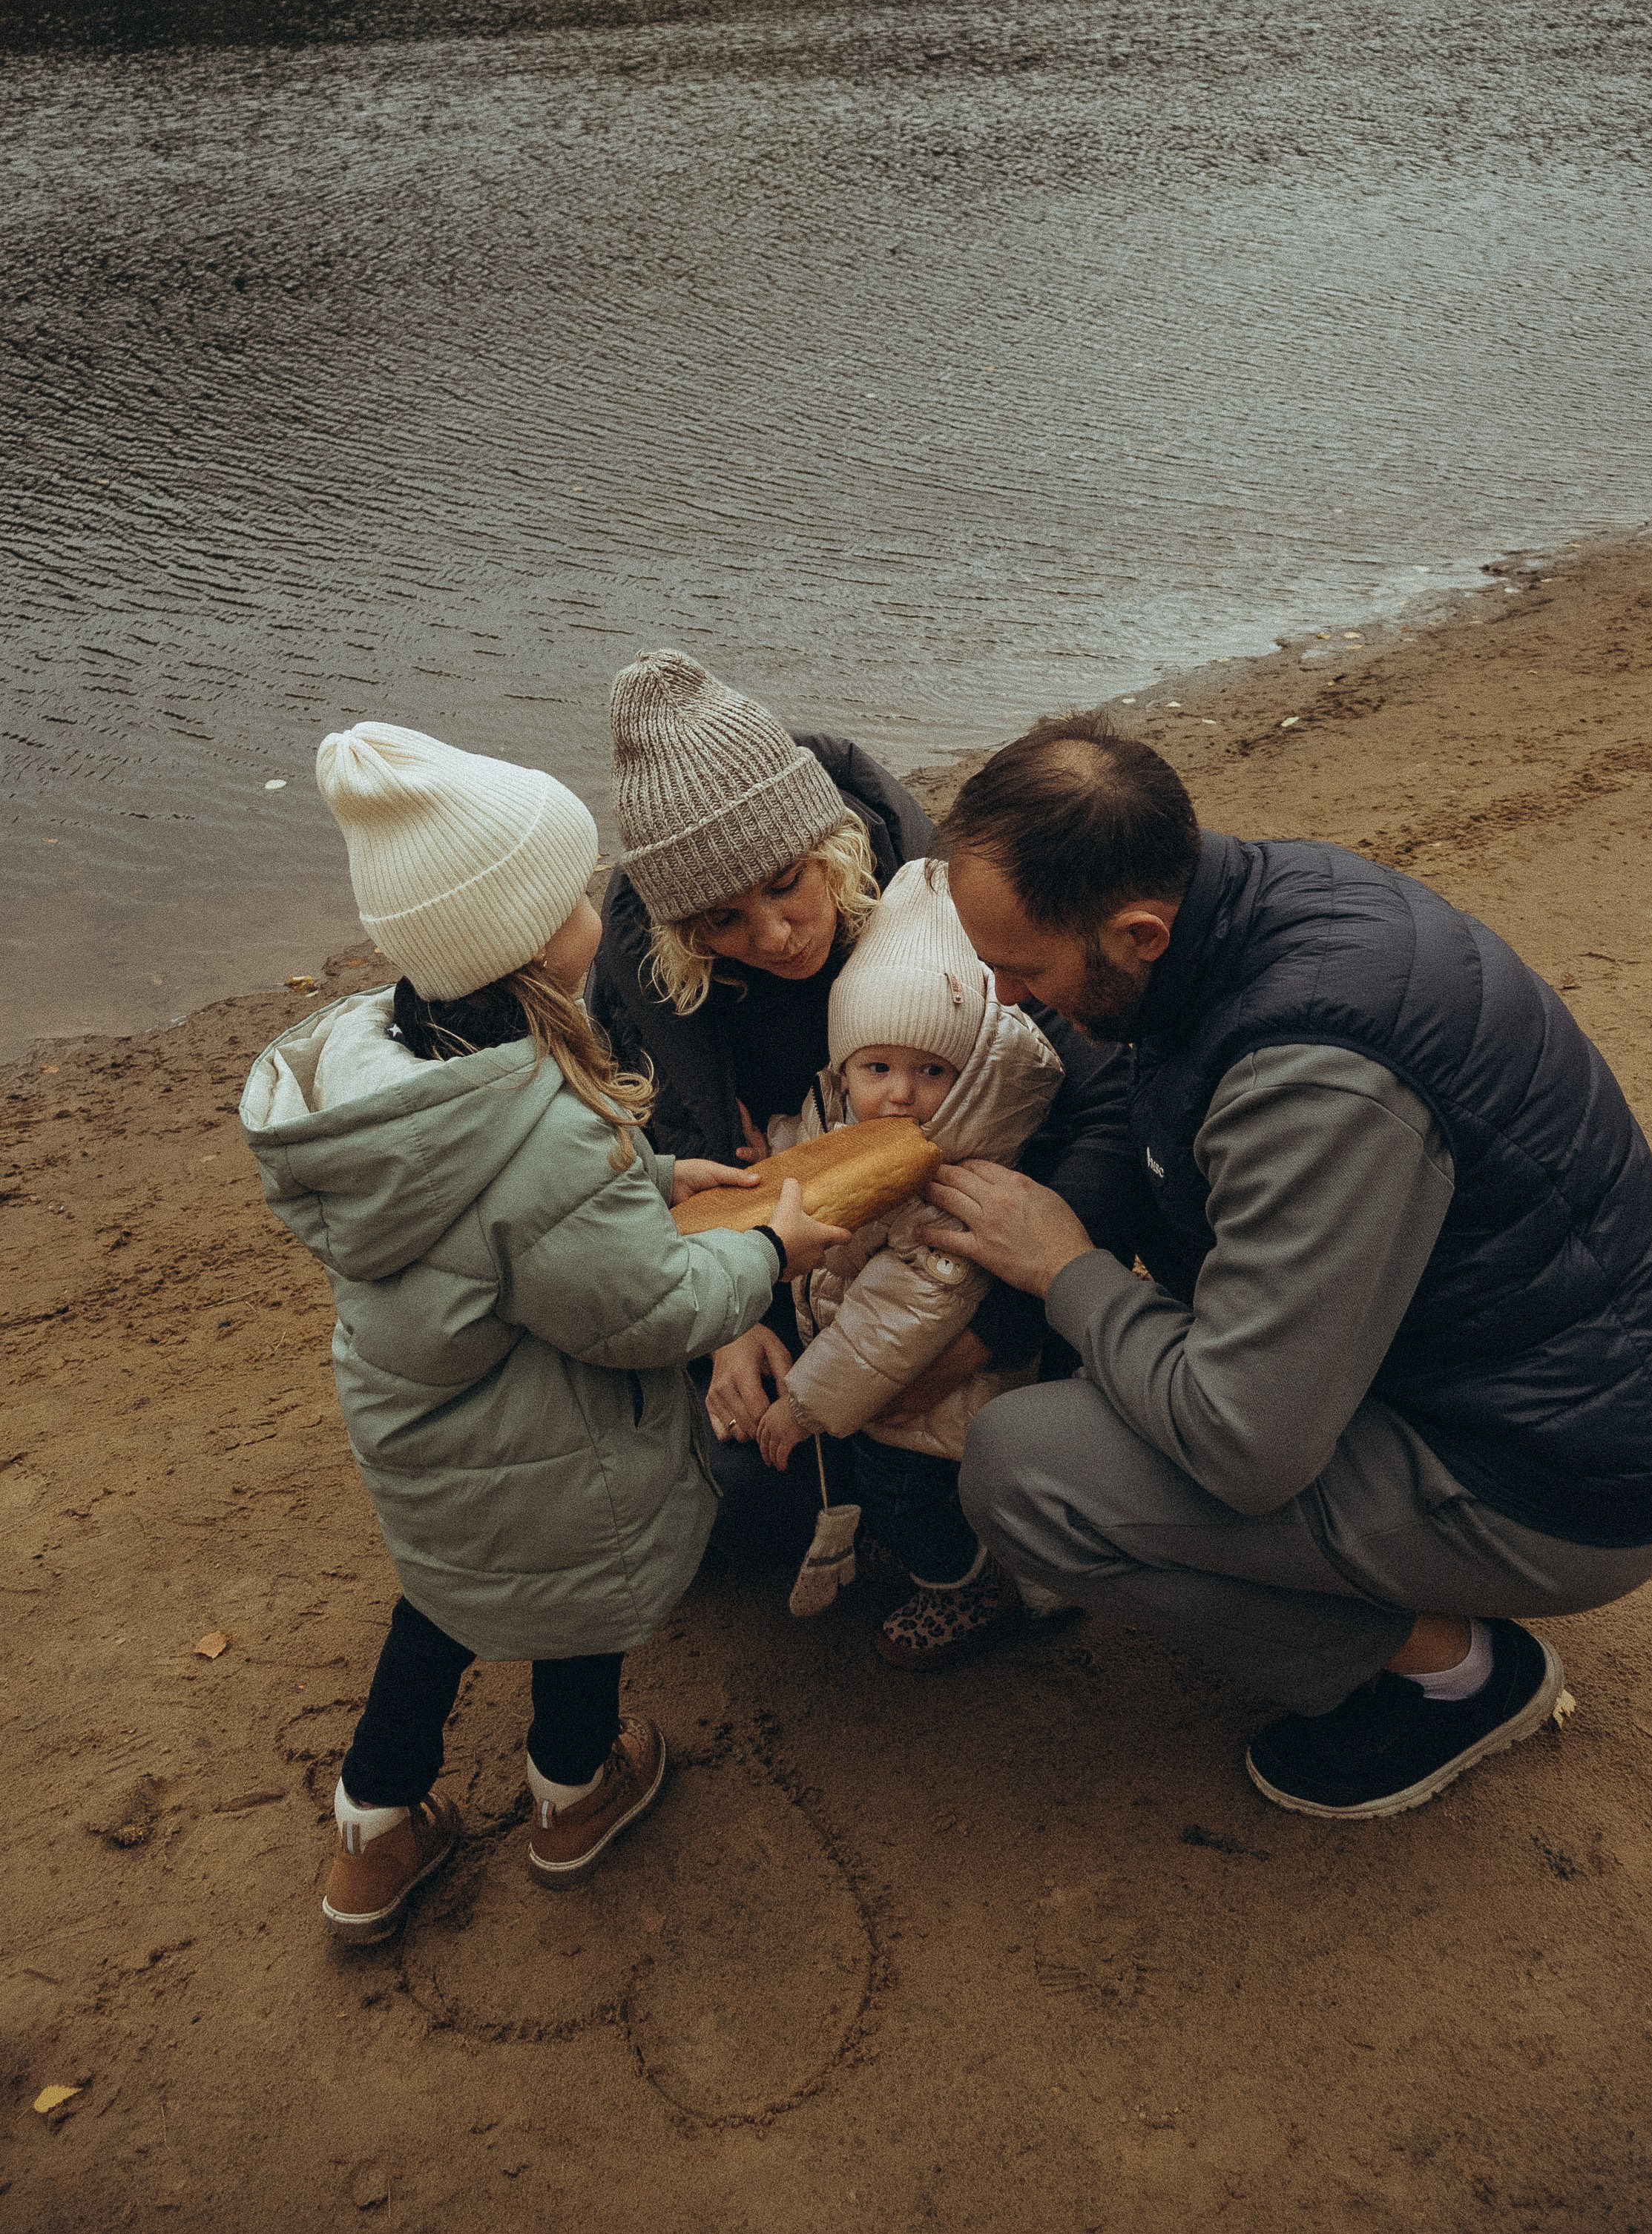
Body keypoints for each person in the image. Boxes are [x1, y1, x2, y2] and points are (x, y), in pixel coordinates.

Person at [926, 713, 1652, 1821]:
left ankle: (1452, 1674)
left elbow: (1243, 1446)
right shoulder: (1253, 897)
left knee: (1023, 1468)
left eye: (1023, 971)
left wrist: (1066, 1267)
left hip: (1553, 1483)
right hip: (1527, 1375)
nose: (1006, 997)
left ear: (1139, 932)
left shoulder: (1309, 1080)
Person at [240, 722, 844, 1944]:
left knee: (443, 1603)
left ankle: (371, 1828)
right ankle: (577, 1789)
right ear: (528, 938)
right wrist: (771, 1246)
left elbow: (521, 1213)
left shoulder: (384, 1064)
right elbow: (644, 1309)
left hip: (424, 1433)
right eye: (572, 891)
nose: (594, 907)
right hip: (553, 1446)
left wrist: (658, 1170)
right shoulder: (549, 1131)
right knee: (582, 1607)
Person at [588, 650, 1136, 1569]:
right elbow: (643, 1160)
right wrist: (729, 1320)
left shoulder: (952, 920)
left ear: (832, 847)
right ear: (680, 935)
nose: (772, 938)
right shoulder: (647, 984)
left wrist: (978, 1339)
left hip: (975, 1277)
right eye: (719, 923)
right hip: (777, 1280)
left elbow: (1110, 1118)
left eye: (784, 885)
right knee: (734, 1517)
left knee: (906, 1483)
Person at [754, 860, 1066, 1667]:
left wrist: (804, 1404)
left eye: (932, 1071)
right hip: (872, 1377)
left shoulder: (954, 1173)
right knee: (886, 1482)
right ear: (842, 1070)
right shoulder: (855, 1120)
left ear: (969, 1080)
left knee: (908, 1496)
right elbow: (822, 1150)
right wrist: (772, 1163)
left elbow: (901, 1312)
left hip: (932, 1401)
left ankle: (966, 1586)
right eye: (877, 1068)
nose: (899, 1093)